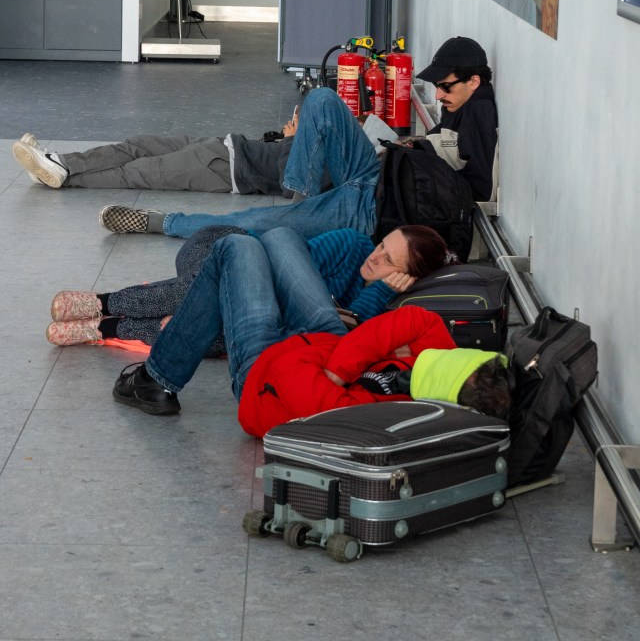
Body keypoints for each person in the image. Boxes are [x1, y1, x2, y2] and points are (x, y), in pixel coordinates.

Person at [109, 228, 510, 436]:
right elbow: (406, 323)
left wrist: (341, 362)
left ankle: (157, 378)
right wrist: (340, 364)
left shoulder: (392, 416)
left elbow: (299, 389)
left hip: (265, 371)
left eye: (389, 260)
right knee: (280, 238)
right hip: (326, 341)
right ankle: (150, 364)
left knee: (236, 248)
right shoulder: (436, 348)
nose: (376, 256)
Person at [97, 36, 499, 241]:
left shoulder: (479, 112)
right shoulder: (458, 107)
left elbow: (474, 188)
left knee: (255, 222)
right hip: (375, 172)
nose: (439, 95)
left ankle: (162, 223)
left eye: (445, 87)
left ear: (474, 81)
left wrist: (423, 150)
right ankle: (301, 194)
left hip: (373, 208)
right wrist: (412, 146)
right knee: (322, 99)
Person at [46, 223, 452, 347]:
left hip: (239, 309)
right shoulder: (350, 245)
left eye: (388, 262)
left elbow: (348, 339)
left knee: (217, 338)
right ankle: (103, 301)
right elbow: (283, 272)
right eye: (382, 245)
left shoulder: (377, 300)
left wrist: (382, 291)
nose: (374, 257)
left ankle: (105, 329)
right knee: (200, 298)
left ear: (405, 278)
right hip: (224, 248)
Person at [11, 114, 299, 195]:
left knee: (138, 171)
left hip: (225, 168)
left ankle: (60, 176)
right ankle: (61, 163)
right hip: (224, 145)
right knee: (138, 144)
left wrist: (291, 140)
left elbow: (293, 186)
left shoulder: (337, 175)